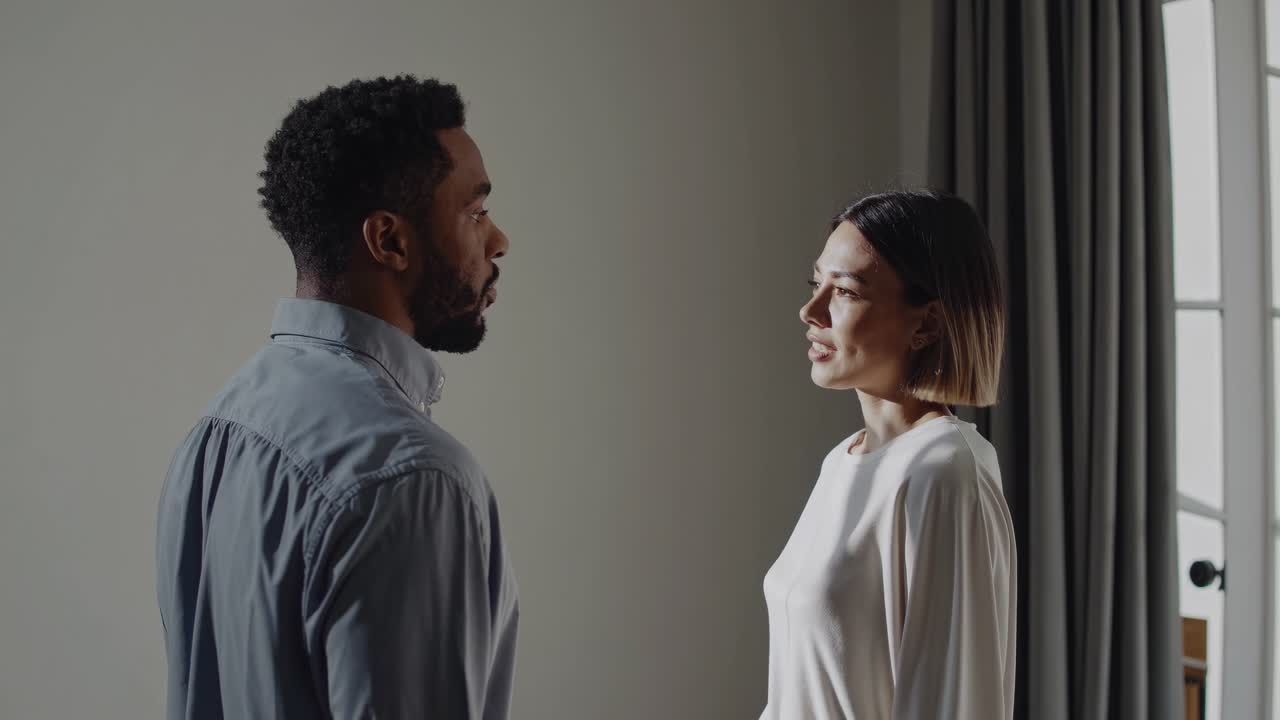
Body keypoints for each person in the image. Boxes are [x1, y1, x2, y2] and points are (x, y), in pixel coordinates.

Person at [155, 76, 517, 719]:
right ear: (391, 241)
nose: (498, 242)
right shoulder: (413, 477)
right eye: (475, 213)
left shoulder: (220, 428)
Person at [761, 190, 1016, 719]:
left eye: (846, 292)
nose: (811, 311)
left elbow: (950, 704)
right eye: (817, 284)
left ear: (926, 324)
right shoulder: (844, 462)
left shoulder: (945, 472)